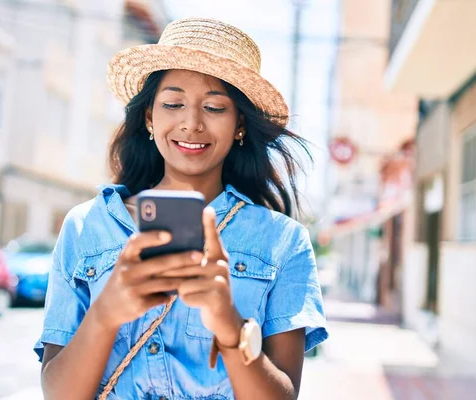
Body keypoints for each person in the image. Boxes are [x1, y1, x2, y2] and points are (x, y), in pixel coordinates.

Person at [34, 17, 328, 400]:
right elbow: (59, 395)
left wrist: (229, 325)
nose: (192, 124)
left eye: (215, 108)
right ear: (150, 117)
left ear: (240, 125)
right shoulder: (86, 225)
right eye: (173, 103)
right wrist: (105, 314)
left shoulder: (284, 242)